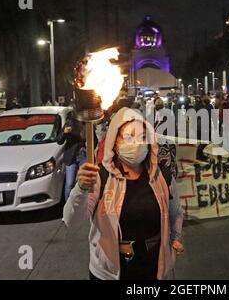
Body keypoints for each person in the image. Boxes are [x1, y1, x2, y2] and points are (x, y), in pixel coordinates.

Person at [63, 107, 184, 280]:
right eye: (128, 137)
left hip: (154, 268)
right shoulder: (99, 178)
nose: (136, 143)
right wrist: (81, 189)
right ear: (114, 141)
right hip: (110, 273)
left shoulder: (162, 176)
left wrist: (176, 237)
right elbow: (72, 220)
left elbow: (176, 212)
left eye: (142, 137)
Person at [57, 112, 87, 201]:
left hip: (83, 156)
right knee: (69, 183)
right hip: (71, 157)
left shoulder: (87, 123)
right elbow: (59, 140)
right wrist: (64, 133)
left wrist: (89, 146)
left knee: (84, 182)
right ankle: (68, 206)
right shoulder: (70, 122)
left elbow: (94, 140)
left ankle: (84, 203)